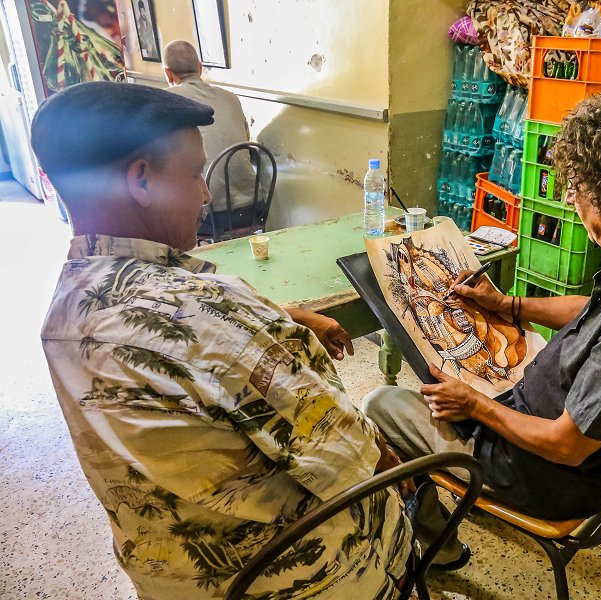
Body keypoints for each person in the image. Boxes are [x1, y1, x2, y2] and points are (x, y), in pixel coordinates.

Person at [33, 81, 411, 599]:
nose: (206, 194)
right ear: (141, 180)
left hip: (172, 575)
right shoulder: (213, 314)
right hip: (297, 576)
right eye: (195, 175)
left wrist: (282, 315)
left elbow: (196, 340)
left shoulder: (63, 313)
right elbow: (348, 453)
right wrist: (389, 458)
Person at [363, 88, 601, 565]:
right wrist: (508, 304)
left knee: (380, 403)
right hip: (572, 427)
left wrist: (475, 404)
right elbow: (598, 311)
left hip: (548, 471)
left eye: (576, 191)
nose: (569, 201)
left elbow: (566, 446)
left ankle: (439, 547)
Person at [163, 40, 259, 236]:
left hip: (210, 214)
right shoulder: (231, 97)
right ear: (200, 68)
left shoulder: (167, 101)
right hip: (254, 206)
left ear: (167, 73)